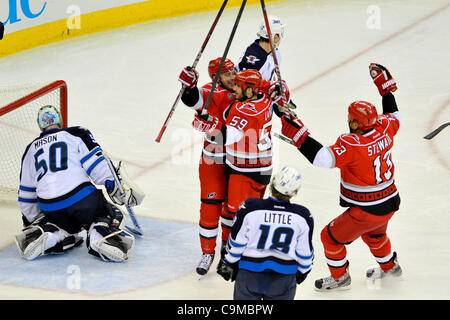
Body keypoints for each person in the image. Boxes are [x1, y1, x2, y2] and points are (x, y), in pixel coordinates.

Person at [279, 63, 403, 291]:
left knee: (330, 237)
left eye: (350, 118)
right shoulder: (384, 127)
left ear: (356, 123)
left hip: (366, 209)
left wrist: (299, 136)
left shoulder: (352, 143)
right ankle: (390, 268)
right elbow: (395, 116)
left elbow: (323, 159)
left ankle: (340, 277)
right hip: (390, 202)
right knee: (375, 237)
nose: (348, 121)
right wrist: (386, 91)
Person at [15, 105, 138, 262]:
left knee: (63, 226)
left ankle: (51, 234)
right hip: (82, 199)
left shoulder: (30, 149)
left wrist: (34, 219)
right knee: (107, 213)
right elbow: (97, 166)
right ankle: (99, 236)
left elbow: (26, 195)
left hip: (51, 207)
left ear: (40, 125)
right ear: (59, 119)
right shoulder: (77, 133)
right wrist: (115, 185)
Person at [216, 166, 314, 300]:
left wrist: (229, 262)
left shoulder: (249, 207)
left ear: (272, 182)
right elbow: (305, 253)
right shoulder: (303, 215)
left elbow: (236, 242)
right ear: (295, 191)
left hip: (249, 275)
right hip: (283, 280)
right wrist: (303, 271)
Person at [178, 58, 237, 275]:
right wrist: (189, 86)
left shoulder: (242, 88)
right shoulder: (209, 92)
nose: (232, 77)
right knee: (210, 208)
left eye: (233, 72)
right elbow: (193, 100)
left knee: (231, 209)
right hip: (213, 158)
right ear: (215, 78)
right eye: (226, 74)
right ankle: (207, 252)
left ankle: (227, 248)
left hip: (237, 159)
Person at [237, 15, 285, 81]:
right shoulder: (254, 62)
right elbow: (244, 88)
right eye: (280, 34)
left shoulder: (274, 52)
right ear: (275, 37)